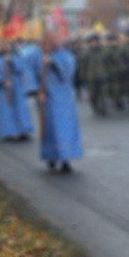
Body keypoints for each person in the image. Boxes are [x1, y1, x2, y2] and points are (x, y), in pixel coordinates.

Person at [38, 33, 83, 173]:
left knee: (64, 129)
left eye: (54, 41)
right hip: (48, 99)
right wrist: (38, 92)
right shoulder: (41, 55)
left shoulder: (65, 56)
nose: (51, 44)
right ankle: (51, 156)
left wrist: (53, 63)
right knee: (50, 128)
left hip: (63, 99)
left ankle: (65, 159)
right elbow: (31, 72)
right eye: (48, 42)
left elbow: (68, 73)